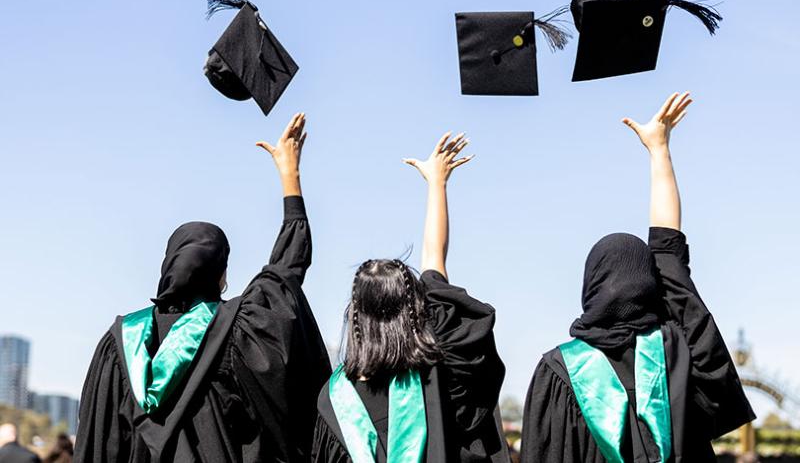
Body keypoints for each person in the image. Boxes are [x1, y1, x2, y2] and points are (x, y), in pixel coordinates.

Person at [74, 113, 331, 462]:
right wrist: (291, 178)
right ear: (221, 275)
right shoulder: (235, 329)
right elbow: (286, 270)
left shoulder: (120, 345)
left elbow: (99, 444)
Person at [520, 92, 755, 462]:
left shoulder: (559, 372)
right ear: (649, 287)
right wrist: (660, 150)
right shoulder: (676, 353)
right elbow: (671, 263)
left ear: (590, 287)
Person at [312, 132, 508, 462]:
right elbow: (434, 263)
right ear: (415, 309)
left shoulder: (335, 402)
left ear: (355, 315)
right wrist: (437, 183)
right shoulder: (440, 373)